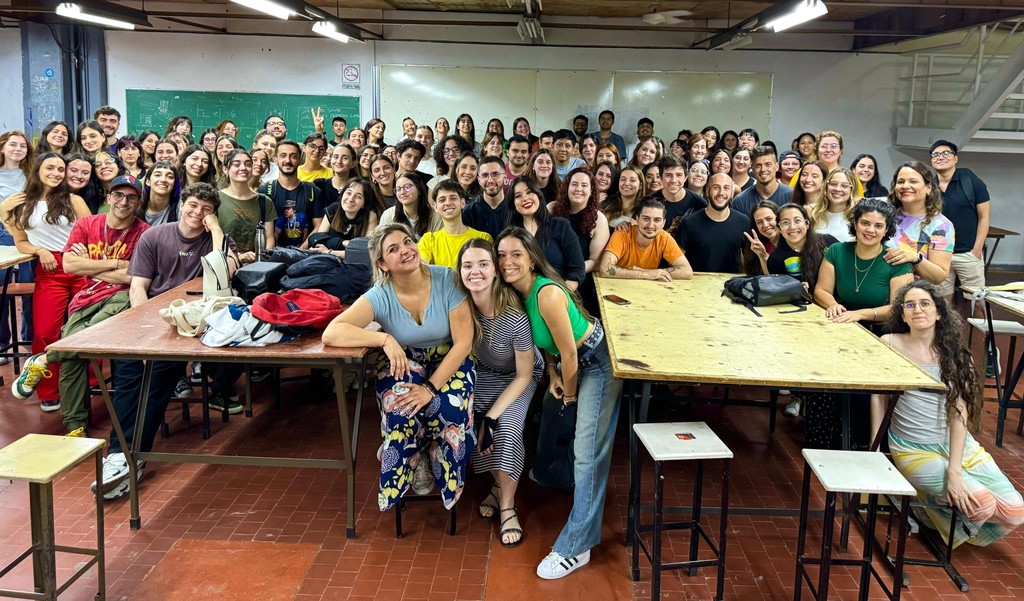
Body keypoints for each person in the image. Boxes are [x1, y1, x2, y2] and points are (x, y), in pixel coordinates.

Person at [91, 183, 240, 500]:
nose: (198, 213)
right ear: (181, 205)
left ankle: (128, 458)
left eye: (206, 209)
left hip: (189, 324)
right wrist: (146, 331)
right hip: (151, 320)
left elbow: (224, 275)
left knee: (157, 380)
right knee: (128, 372)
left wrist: (216, 231)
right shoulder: (154, 236)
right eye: (193, 205)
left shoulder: (218, 240)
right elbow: (138, 289)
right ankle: (122, 456)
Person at [495, 227, 622, 580]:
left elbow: (570, 353)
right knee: (551, 419)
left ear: (532, 259)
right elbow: (548, 345)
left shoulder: (546, 293)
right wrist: (552, 375)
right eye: (501, 255)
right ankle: (560, 478)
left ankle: (576, 546)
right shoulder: (517, 294)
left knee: (587, 452)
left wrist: (570, 395)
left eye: (516, 254)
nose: (507, 262)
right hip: (569, 364)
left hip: (596, 362)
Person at [322, 223, 475, 510]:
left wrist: (429, 388)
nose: (406, 250)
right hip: (404, 359)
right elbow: (332, 333)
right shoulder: (381, 294)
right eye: (393, 249)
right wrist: (384, 339)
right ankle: (414, 457)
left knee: (447, 409)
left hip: (449, 358)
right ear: (382, 264)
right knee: (401, 412)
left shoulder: (447, 279)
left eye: (407, 241)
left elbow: (464, 343)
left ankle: (435, 459)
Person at [872, 281, 1023, 547]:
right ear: (903, 315)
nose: (917, 310)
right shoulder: (890, 344)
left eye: (925, 304)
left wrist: (954, 472)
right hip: (913, 448)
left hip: (956, 445)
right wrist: (874, 449)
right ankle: (929, 508)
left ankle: (937, 504)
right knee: (981, 505)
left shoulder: (957, 355)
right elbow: (878, 397)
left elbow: (959, 413)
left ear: (939, 313)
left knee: (1015, 512)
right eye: (910, 305)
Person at [13, 175, 148, 436]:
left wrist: (92, 266)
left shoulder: (144, 233)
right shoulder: (86, 224)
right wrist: (116, 264)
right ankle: (76, 427)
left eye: (131, 197)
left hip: (122, 297)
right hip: (85, 298)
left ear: (138, 202)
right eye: (118, 195)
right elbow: (70, 265)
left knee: (75, 341)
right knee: (73, 356)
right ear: (109, 197)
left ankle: (45, 358)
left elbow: (136, 277)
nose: (124, 202)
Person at [456, 238, 542, 547]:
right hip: (483, 374)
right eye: (467, 265)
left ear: (495, 270)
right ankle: (497, 483)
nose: (475, 271)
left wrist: (491, 417)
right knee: (464, 419)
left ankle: (507, 505)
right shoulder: (462, 306)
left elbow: (524, 374)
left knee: (505, 428)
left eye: (483, 264)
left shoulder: (513, 315)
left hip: (518, 375)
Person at [1, 152, 92, 412]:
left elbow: (92, 232)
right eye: (50, 167)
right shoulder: (23, 202)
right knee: (45, 332)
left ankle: (86, 385)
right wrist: (40, 251)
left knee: (85, 330)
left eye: (61, 169)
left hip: (79, 266)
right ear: (38, 169)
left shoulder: (73, 200)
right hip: (49, 269)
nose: (56, 173)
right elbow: (21, 241)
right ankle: (48, 391)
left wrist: (83, 252)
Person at [929, 140, 989, 299]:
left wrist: (977, 249)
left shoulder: (971, 181)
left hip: (968, 253)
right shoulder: (929, 187)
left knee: (977, 302)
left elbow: (984, 216)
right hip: (939, 254)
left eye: (946, 153)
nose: (940, 157)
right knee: (942, 303)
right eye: (935, 154)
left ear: (955, 158)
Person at [506, 176, 585, 290]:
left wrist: (562, 294)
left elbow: (577, 270)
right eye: (518, 196)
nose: (525, 198)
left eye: (529, 192)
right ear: (513, 204)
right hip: (522, 296)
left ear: (538, 196)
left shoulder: (561, 226)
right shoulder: (511, 235)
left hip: (560, 293)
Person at [884, 161, 955, 285]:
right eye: (900, 182)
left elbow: (939, 276)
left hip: (912, 292)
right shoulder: (885, 216)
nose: (905, 186)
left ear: (928, 188)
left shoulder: (941, 226)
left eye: (913, 181)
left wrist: (914, 257)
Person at [599, 198, 693, 281]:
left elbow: (687, 271)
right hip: (617, 285)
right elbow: (605, 269)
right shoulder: (622, 233)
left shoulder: (664, 238)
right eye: (646, 218)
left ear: (663, 223)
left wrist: (649, 273)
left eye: (657, 220)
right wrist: (646, 274)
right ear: (637, 219)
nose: (651, 225)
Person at [677, 173, 749, 273]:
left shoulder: (744, 222)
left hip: (732, 281)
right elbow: (677, 261)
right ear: (707, 191)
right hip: (697, 281)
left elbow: (747, 260)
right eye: (716, 187)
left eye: (726, 188)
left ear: (732, 193)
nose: (721, 193)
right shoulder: (689, 223)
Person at [417, 180, 491, 268]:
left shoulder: (483, 238)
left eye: (453, 198)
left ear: (462, 203)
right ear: (435, 207)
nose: (448, 203)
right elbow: (420, 269)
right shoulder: (428, 240)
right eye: (442, 200)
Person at [219, 149, 277, 261]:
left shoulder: (264, 201)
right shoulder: (216, 200)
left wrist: (261, 259)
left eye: (248, 164)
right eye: (236, 164)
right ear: (225, 169)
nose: (243, 168)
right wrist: (237, 257)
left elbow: (269, 239)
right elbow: (211, 239)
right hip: (225, 263)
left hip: (255, 265)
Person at [308, 178, 379, 259]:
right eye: (348, 193)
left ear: (364, 204)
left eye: (358, 197)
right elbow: (317, 238)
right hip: (328, 259)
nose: (351, 199)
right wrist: (343, 243)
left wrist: (330, 252)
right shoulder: (334, 209)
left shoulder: (370, 215)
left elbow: (365, 251)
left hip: (351, 263)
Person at [263, 140, 320, 235]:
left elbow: (319, 226)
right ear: (276, 160)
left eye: (293, 156)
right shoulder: (265, 190)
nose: (288, 161)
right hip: (272, 243)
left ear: (300, 161)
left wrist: (304, 245)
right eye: (283, 156)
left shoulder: (313, 191)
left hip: (306, 244)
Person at [649, 155, 705, 236]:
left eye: (679, 175)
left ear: (685, 177)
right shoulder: (649, 201)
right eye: (668, 175)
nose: (674, 180)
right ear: (661, 178)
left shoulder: (699, 203)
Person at [732, 146, 793, 216]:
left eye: (768, 164)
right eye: (758, 165)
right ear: (752, 168)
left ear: (777, 167)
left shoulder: (792, 195)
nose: (763, 169)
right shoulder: (740, 201)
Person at [378, 171, 440, 239]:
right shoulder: (388, 215)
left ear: (419, 189)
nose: (402, 192)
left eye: (407, 187)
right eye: (398, 189)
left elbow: (437, 243)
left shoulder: (435, 215)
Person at [809, 167, 862, 242]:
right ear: (826, 187)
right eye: (833, 184)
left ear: (852, 190)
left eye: (844, 186)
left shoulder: (858, 216)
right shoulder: (813, 213)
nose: (837, 189)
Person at [463, 156, 509, 239]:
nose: (490, 180)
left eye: (495, 174)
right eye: (485, 175)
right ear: (479, 180)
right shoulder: (469, 212)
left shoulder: (515, 209)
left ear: (505, 177)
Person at [741, 200, 781, 276]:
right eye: (759, 222)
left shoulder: (791, 243)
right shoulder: (757, 247)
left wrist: (764, 256)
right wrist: (761, 255)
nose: (765, 225)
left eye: (769, 219)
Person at [602, 165, 645, 230]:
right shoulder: (606, 202)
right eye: (623, 179)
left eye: (632, 180)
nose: (626, 183)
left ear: (640, 185)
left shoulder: (644, 209)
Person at [138, 161, 178, 225]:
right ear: (148, 181)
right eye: (157, 175)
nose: (163, 180)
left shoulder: (179, 208)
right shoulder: (136, 206)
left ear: (174, 184)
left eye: (169, 176)